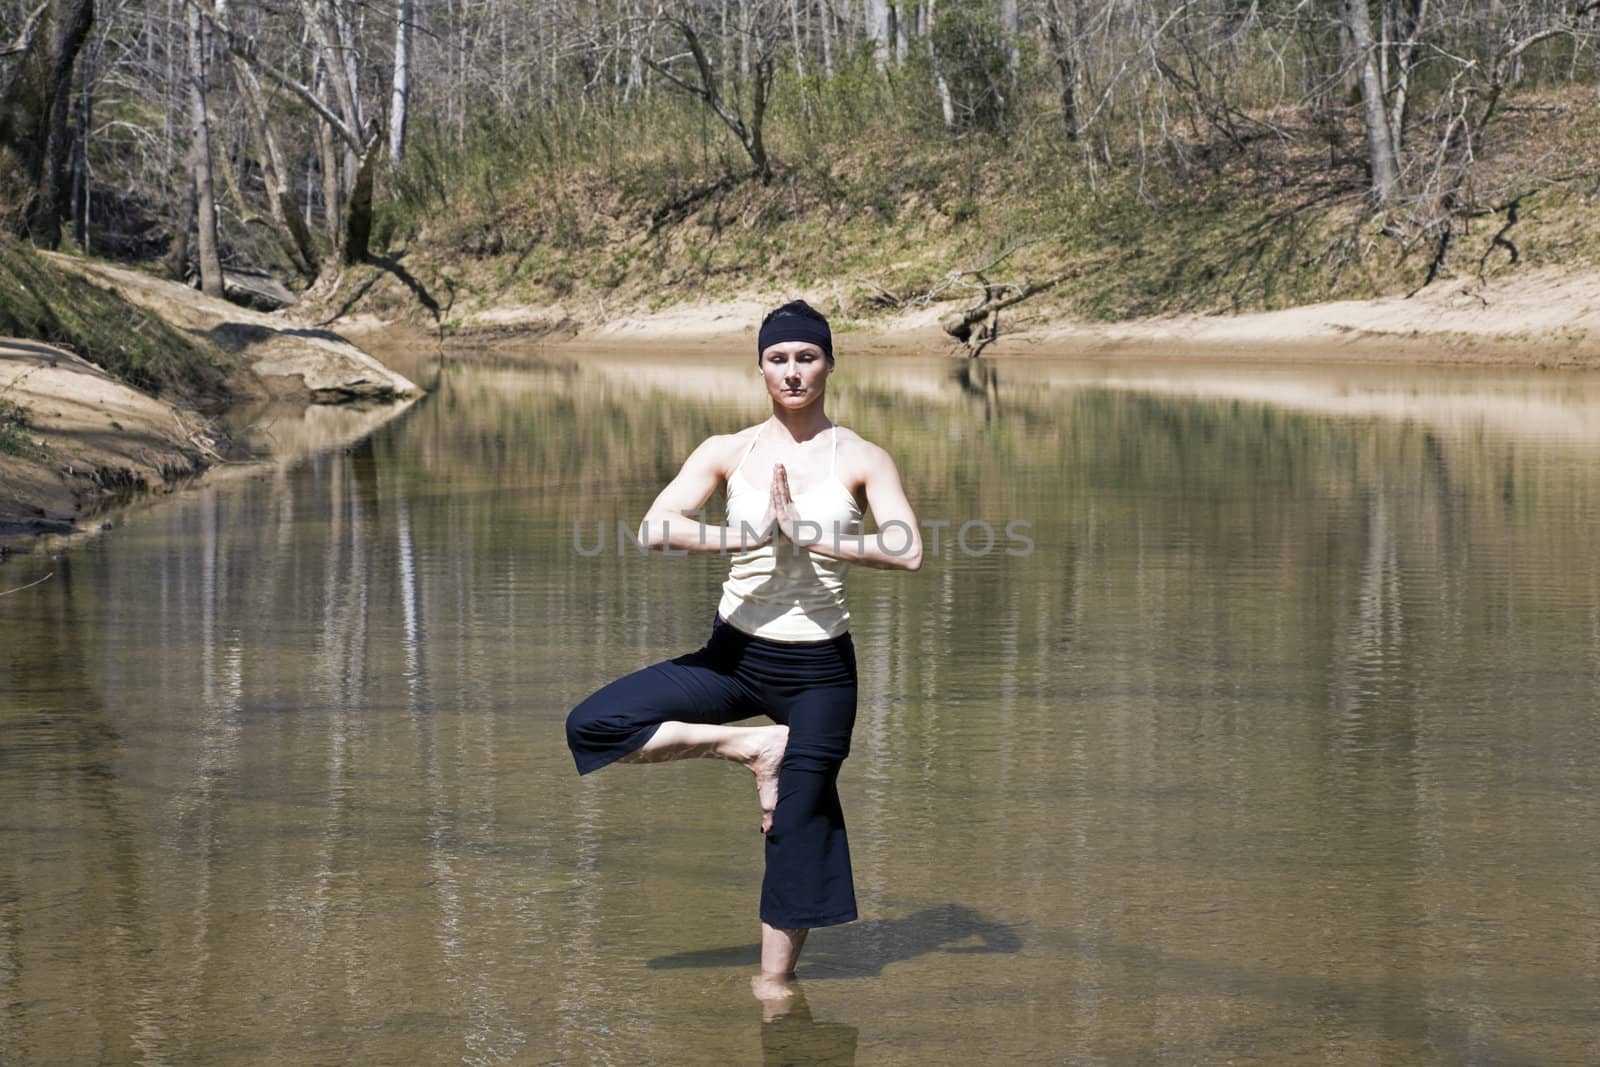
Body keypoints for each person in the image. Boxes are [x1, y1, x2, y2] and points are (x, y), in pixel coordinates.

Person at [565, 299, 922, 991]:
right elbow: (656, 527)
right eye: (779, 358)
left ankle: (774, 988)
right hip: (734, 657)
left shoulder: (863, 457)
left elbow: (907, 550)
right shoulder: (728, 451)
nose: (793, 372)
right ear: (760, 367)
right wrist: (747, 536)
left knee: (798, 827)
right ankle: (751, 746)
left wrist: (813, 536)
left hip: (820, 670)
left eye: (806, 357)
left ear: (829, 363)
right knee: (593, 723)